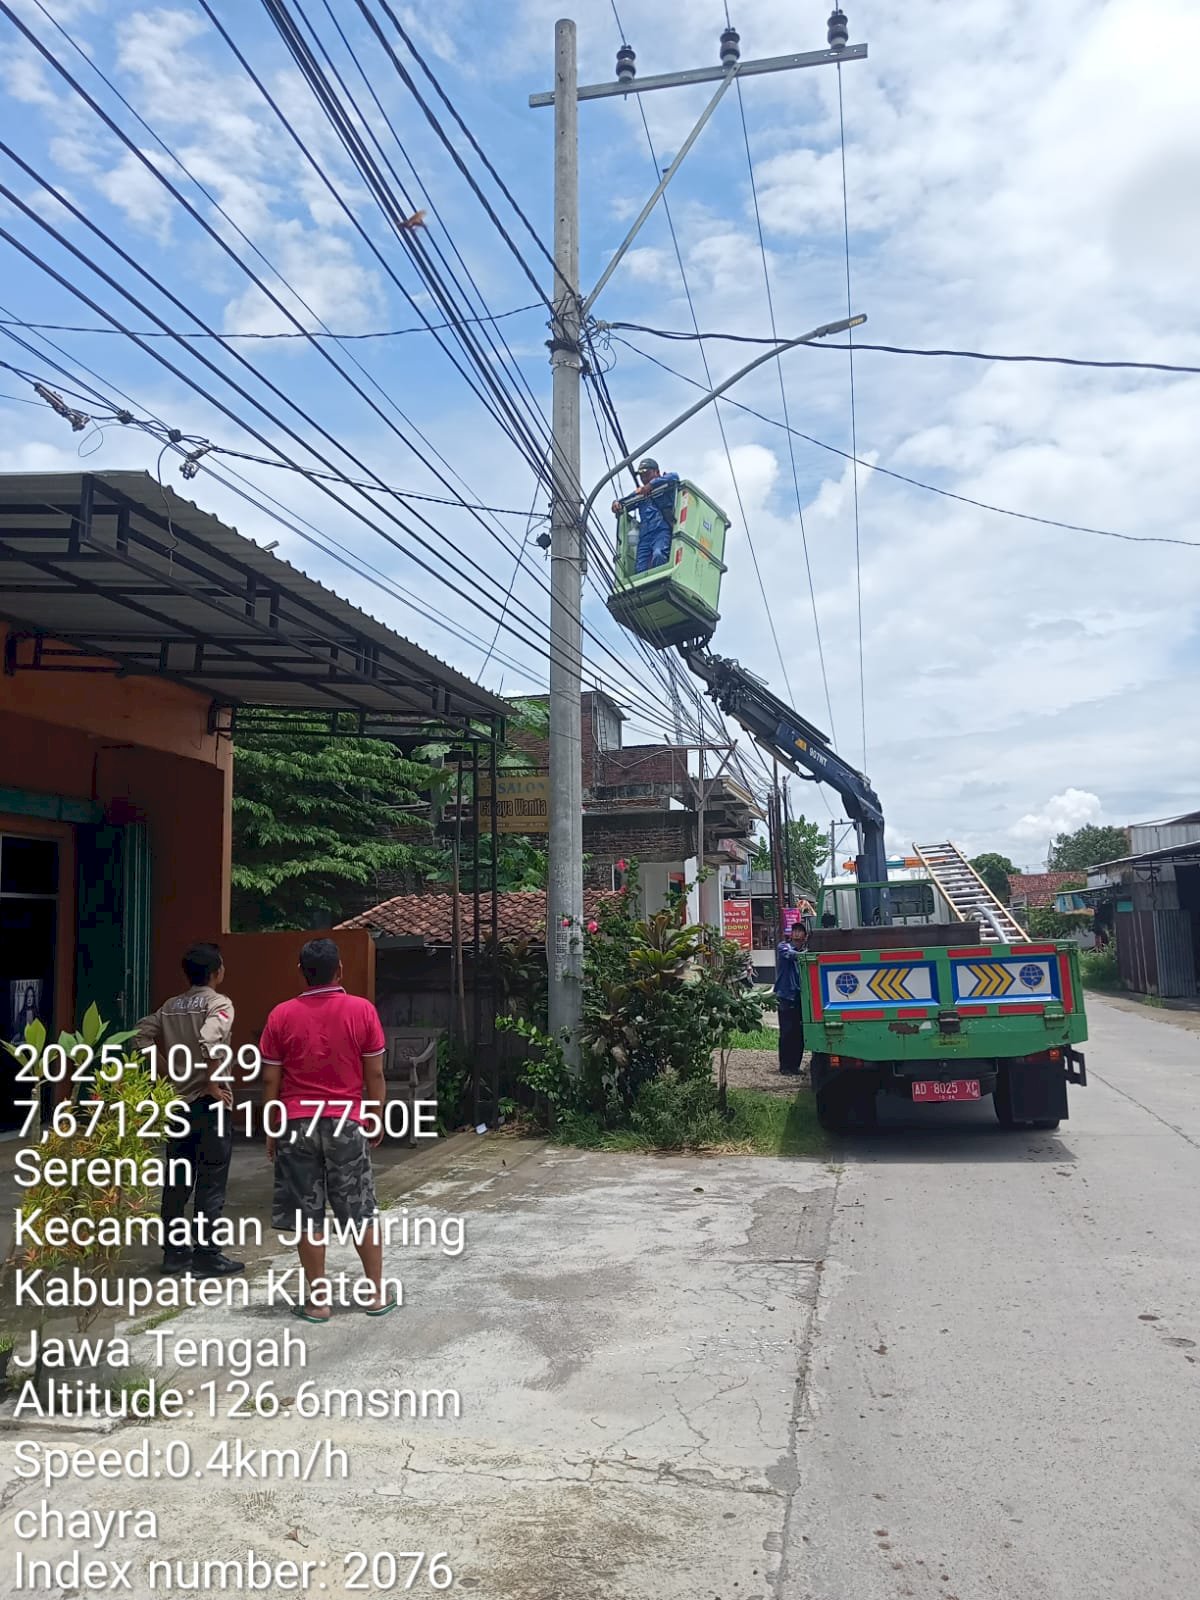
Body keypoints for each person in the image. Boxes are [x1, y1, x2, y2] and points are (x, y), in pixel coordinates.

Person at [259, 938, 392, 1324]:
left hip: (297, 1123)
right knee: (360, 1210)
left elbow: (271, 1080)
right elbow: (376, 1073)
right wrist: (375, 1114)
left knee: (306, 1214)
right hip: (346, 1122)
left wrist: (272, 1126)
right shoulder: (361, 1011)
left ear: (302, 972)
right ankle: (376, 1293)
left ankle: (318, 1301)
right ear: (340, 970)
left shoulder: (281, 1015)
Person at [135, 943, 243, 1277]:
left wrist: (167, 1070)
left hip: (176, 1103)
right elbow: (210, 1041)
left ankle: (174, 1254)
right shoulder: (218, 1004)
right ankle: (207, 1255)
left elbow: (140, 1034)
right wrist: (211, 1083)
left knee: (177, 1181)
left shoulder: (171, 1006)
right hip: (208, 1105)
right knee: (210, 1181)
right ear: (217, 971)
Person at [611, 457, 680, 573]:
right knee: (640, 568)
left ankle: (660, 580)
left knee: (658, 555)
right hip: (645, 536)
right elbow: (625, 501)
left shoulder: (664, 484)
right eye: (642, 476)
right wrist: (616, 504)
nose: (644, 479)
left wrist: (651, 485)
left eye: (647, 474)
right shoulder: (641, 493)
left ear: (657, 473)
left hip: (661, 531)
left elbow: (675, 477)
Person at [774, 924, 808, 1076]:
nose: (797, 933)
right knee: (786, 1032)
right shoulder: (783, 947)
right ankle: (784, 1066)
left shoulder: (805, 952)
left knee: (799, 1033)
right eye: (795, 930)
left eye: (800, 931)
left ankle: (795, 1065)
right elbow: (791, 955)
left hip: (801, 996)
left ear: (805, 935)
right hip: (785, 996)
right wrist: (806, 955)